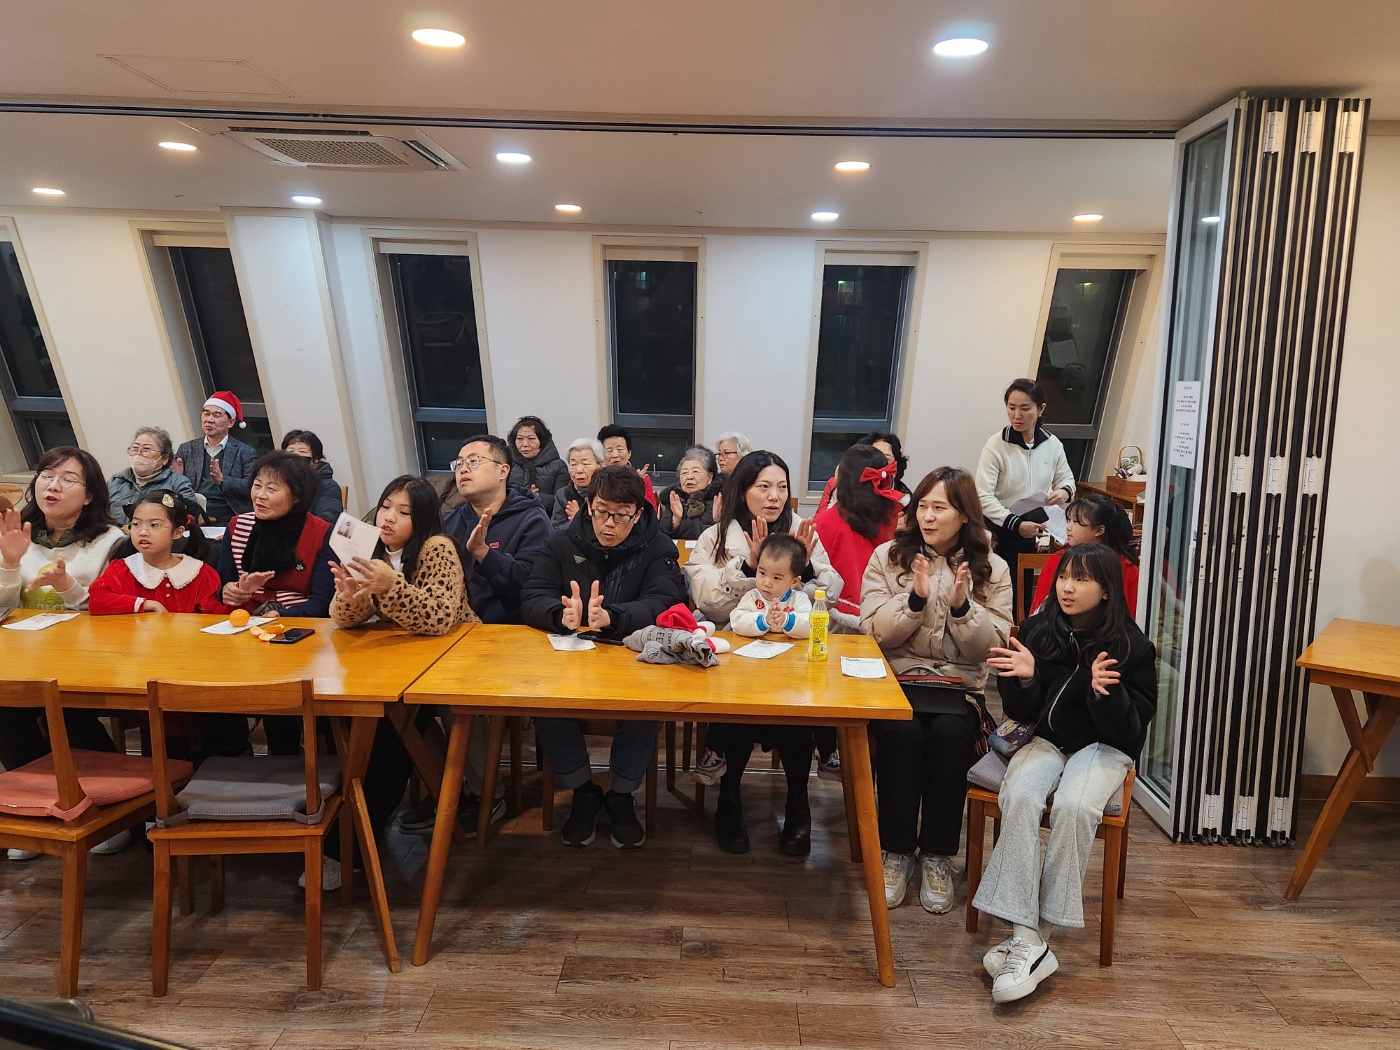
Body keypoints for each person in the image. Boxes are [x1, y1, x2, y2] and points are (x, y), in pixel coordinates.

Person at [976, 543, 1156, 1004]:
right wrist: (1027, 679)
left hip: (1103, 747)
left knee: (1075, 805)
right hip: (1047, 740)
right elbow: (1021, 712)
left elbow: (1131, 732)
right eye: (1063, 577)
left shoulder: (1132, 647)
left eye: (1081, 579)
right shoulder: (1039, 630)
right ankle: (1028, 939)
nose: (1067, 587)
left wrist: (1105, 695)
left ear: (1106, 590)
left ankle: (1034, 937)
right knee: (1020, 795)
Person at [860, 466, 1013, 914]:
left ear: (964, 514)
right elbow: (872, 633)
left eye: (939, 508)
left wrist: (963, 608)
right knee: (901, 734)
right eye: (922, 506)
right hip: (897, 683)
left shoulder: (992, 567)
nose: (927, 516)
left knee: (950, 736)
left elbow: (992, 648)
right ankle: (896, 852)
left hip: (958, 687)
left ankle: (938, 856)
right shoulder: (888, 557)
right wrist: (914, 599)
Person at [520, 465, 686, 848]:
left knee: (646, 707)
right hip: (571, 657)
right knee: (544, 703)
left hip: (632, 656)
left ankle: (621, 795)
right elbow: (532, 595)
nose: (609, 524)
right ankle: (583, 790)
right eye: (601, 512)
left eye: (621, 515)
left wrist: (613, 617)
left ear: (638, 513)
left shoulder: (659, 546)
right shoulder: (562, 541)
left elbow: (665, 602)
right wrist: (559, 615)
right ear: (587, 506)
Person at [687, 450, 843, 856]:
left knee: (796, 717)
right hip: (738, 653)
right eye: (764, 487)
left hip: (793, 656)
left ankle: (798, 804)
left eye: (782, 487)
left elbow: (830, 594)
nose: (774, 496)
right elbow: (710, 603)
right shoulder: (715, 537)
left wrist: (804, 568)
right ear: (742, 490)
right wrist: (747, 567)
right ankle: (729, 799)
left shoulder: (802, 533)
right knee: (738, 713)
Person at [326, 475, 478, 890]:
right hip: (394, 665)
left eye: (403, 512)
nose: (389, 518)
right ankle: (337, 832)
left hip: (450, 663)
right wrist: (351, 595)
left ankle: (348, 848)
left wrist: (389, 586)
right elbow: (343, 620)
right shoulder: (369, 547)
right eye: (386, 507)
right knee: (342, 726)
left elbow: (440, 618)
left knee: (388, 738)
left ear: (422, 518)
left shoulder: (437, 548)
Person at [0, 447, 126, 858]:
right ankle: (39, 805)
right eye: (46, 476)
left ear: (89, 495)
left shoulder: (111, 541)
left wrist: (68, 585)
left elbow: (112, 610)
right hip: (23, 653)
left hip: (91, 653)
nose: (52, 486)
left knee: (70, 711)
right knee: (6, 711)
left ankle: (108, 809)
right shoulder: (14, 533)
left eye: (68, 479)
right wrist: (9, 564)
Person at [424, 434, 552, 833]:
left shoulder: (531, 519)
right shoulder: (450, 520)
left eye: (473, 461)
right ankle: (442, 788)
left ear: (502, 470)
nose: (463, 469)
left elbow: (532, 588)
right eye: (459, 462)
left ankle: (484, 795)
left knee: (457, 697)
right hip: (453, 636)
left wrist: (484, 553)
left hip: (510, 640)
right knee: (400, 703)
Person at [694, 534, 813, 789]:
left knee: (800, 721)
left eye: (777, 578)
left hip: (787, 678)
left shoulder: (799, 600)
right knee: (727, 701)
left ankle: (822, 757)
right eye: (762, 573)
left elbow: (809, 625)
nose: (766, 582)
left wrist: (787, 621)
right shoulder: (752, 597)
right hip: (750, 675)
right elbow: (738, 621)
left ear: (794, 581)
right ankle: (715, 754)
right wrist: (763, 621)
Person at [975, 378, 1076, 604]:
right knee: (993, 590)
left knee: (1020, 590)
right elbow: (983, 496)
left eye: (1025, 408)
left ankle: (1019, 623)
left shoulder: (1052, 444)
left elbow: (1067, 479)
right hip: (997, 527)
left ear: (1040, 409)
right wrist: (1016, 524)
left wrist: (1063, 492)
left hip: (1031, 525)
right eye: (1011, 408)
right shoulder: (996, 445)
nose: (1016, 415)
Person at [89, 491, 226, 615]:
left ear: (178, 532)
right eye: (136, 524)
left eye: (154, 525)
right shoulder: (123, 569)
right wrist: (147, 605)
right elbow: (97, 601)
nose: (142, 532)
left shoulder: (200, 573)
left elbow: (217, 615)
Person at [1029, 494, 1140, 617]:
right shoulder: (1058, 560)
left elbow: (1133, 617)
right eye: (1069, 520)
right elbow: (1039, 613)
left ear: (1099, 530)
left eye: (1076, 522)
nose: (1068, 527)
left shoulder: (1126, 566)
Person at [173, 391, 258, 524]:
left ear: (231, 422)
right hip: (193, 516)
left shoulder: (245, 452)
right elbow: (175, 487)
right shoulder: (187, 449)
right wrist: (176, 477)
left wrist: (223, 480)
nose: (209, 420)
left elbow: (252, 486)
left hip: (230, 517)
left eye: (216, 415)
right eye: (206, 414)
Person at [106, 426, 198, 525]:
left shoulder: (178, 483)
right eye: (135, 448)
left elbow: (186, 517)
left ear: (164, 458)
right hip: (116, 533)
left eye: (146, 450)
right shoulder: (116, 481)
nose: (138, 454)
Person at [816, 431, 911, 513]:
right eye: (875, 457)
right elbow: (819, 522)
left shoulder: (905, 498)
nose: (880, 463)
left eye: (887, 458)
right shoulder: (836, 485)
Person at [507, 415, 568, 515]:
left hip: (546, 519)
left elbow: (564, 500)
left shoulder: (558, 466)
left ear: (542, 441)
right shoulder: (507, 465)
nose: (525, 444)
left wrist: (538, 497)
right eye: (520, 439)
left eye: (531, 439)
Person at [658, 445, 722, 541]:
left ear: (710, 477)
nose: (689, 477)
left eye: (695, 472)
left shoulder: (720, 499)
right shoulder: (675, 499)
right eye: (684, 473)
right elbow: (661, 538)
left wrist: (718, 521)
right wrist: (676, 520)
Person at [281, 429, 343, 523]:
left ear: (315, 459)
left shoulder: (328, 486)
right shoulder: (279, 482)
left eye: (302, 451)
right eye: (291, 451)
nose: (295, 456)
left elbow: (327, 518)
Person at [597, 424, 657, 510]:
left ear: (629, 453)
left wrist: (636, 484)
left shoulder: (642, 479)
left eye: (620, 450)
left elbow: (651, 512)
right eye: (609, 450)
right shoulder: (598, 480)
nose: (615, 455)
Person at [552, 438, 605, 531]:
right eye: (573, 464)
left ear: (599, 466)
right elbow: (556, 530)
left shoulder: (609, 493)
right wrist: (577, 521)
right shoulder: (563, 495)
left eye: (585, 464)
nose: (579, 470)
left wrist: (579, 518)